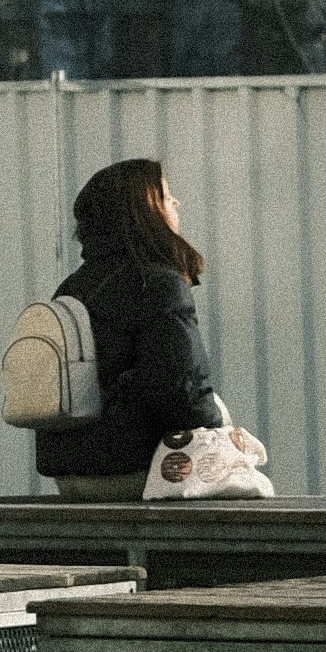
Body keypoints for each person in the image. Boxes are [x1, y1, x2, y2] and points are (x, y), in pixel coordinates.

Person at [32, 156, 231, 504]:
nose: (176, 204)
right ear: (145, 211)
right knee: (224, 427)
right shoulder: (158, 284)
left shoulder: (71, 288)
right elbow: (181, 392)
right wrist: (222, 431)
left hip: (69, 476)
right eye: (167, 197)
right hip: (136, 475)